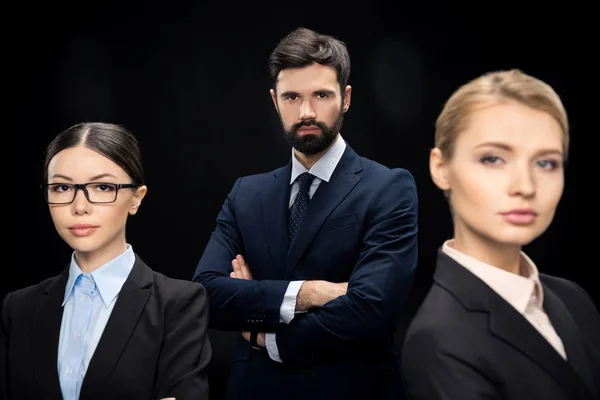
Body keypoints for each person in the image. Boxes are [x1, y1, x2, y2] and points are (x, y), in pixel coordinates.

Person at [192, 27, 418, 399]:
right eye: (292, 97)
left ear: (345, 98)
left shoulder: (388, 187)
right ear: (274, 101)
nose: (307, 111)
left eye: (321, 95)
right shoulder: (246, 193)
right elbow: (205, 295)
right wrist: (308, 293)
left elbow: (375, 308)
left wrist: (263, 335)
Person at [401, 69, 600, 400]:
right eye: (493, 159)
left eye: (546, 163)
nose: (525, 186)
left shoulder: (573, 300)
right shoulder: (439, 340)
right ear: (441, 169)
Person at [0, 122, 211, 399]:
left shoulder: (178, 305)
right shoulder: (19, 308)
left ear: (136, 198)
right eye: (62, 187)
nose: (79, 206)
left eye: (101, 187)